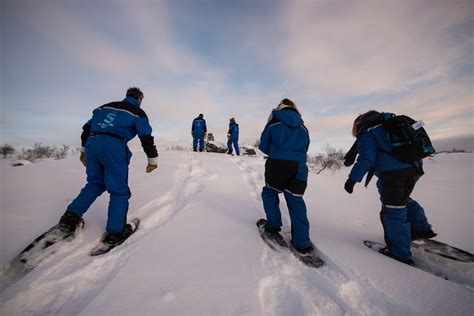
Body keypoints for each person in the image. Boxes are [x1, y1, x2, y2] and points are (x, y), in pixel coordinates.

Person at [57, 87, 158, 245]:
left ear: (126, 96)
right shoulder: (138, 112)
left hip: (92, 144)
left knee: (95, 184)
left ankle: (69, 219)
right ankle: (115, 232)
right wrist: (152, 159)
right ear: (139, 99)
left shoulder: (104, 107)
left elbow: (86, 130)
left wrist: (84, 151)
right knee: (119, 190)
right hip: (114, 148)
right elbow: (146, 137)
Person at [344, 110, 436, 265]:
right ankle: (420, 228)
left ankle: (399, 254)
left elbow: (366, 158)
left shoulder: (368, 132)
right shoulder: (388, 125)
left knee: (393, 210)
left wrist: (352, 180)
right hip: (414, 169)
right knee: (401, 200)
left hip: (394, 175)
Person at [258, 98, 313, 254]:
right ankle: (302, 242)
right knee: (296, 199)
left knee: (270, 192)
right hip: (299, 167)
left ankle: (273, 226)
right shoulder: (303, 127)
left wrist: (277, 152)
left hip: (277, 164)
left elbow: (263, 146)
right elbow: (306, 147)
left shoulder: (273, 122)